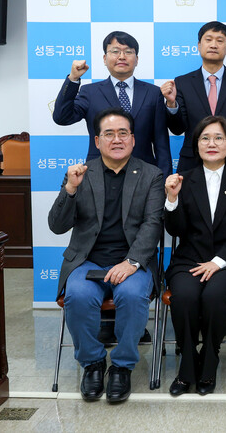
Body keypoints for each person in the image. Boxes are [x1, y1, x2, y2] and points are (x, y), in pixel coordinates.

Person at [48, 108, 164, 403]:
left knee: (133, 296)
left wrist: (132, 262)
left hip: (132, 262)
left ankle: (122, 366)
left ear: (133, 140)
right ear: (97, 141)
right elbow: (57, 225)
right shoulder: (81, 174)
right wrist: (70, 189)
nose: (117, 139)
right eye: (109, 134)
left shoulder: (151, 175)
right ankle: (93, 363)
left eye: (123, 133)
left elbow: (153, 224)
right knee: (78, 295)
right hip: (87, 261)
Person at [163, 116, 226, 396]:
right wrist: (172, 199)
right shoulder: (184, 179)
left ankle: (209, 359)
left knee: (215, 296)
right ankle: (187, 365)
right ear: (196, 145)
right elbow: (176, 230)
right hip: (190, 259)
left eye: (219, 138)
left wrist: (218, 263)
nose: (211, 143)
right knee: (184, 296)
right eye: (205, 138)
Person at [53, 31, 172, 178]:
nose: (122, 56)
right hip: (100, 175)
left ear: (137, 59)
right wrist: (73, 79)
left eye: (128, 52)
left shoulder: (153, 93)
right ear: (105, 58)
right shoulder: (90, 92)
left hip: (144, 175)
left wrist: (164, 181)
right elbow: (61, 117)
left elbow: (161, 143)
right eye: (115, 51)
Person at [162, 21, 226, 172]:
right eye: (208, 39)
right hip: (191, 164)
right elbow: (178, 129)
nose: (213, 45)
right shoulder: (182, 82)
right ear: (199, 46)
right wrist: (171, 104)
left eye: (219, 40)